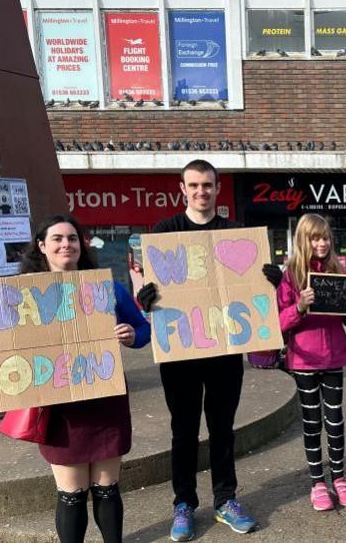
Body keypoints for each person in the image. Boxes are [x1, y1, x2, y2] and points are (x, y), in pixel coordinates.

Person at [0, 215, 151, 543]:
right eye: (57, 238)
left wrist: (130, 335)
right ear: (42, 246)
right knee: (73, 493)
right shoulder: (21, 296)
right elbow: (5, 345)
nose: (65, 244)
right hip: (58, 407)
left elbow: (144, 330)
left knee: (107, 488)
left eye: (72, 238)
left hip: (104, 398)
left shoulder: (106, 288)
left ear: (81, 245)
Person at [134, 159, 282, 541]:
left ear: (218, 189)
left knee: (222, 429)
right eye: (194, 185)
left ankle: (224, 500)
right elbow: (152, 293)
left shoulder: (236, 234)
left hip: (224, 351)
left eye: (208, 185)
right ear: (182, 189)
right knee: (183, 431)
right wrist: (145, 298)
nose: (202, 192)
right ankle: (183, 504)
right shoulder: (166, 232)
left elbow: (256, 293)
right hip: (180, 353)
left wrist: (271, 284)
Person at [276, 213, 346, 510]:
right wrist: (300, 306)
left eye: (326, 237)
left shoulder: (338, 268)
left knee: (335, 420)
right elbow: (277, 322)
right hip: (303, 360)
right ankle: (317, 483)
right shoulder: (290, 274)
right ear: (303, 240)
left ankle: (340, 479)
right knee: (312, 422)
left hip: (333, 357)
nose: (321, 243)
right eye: (315, 238)